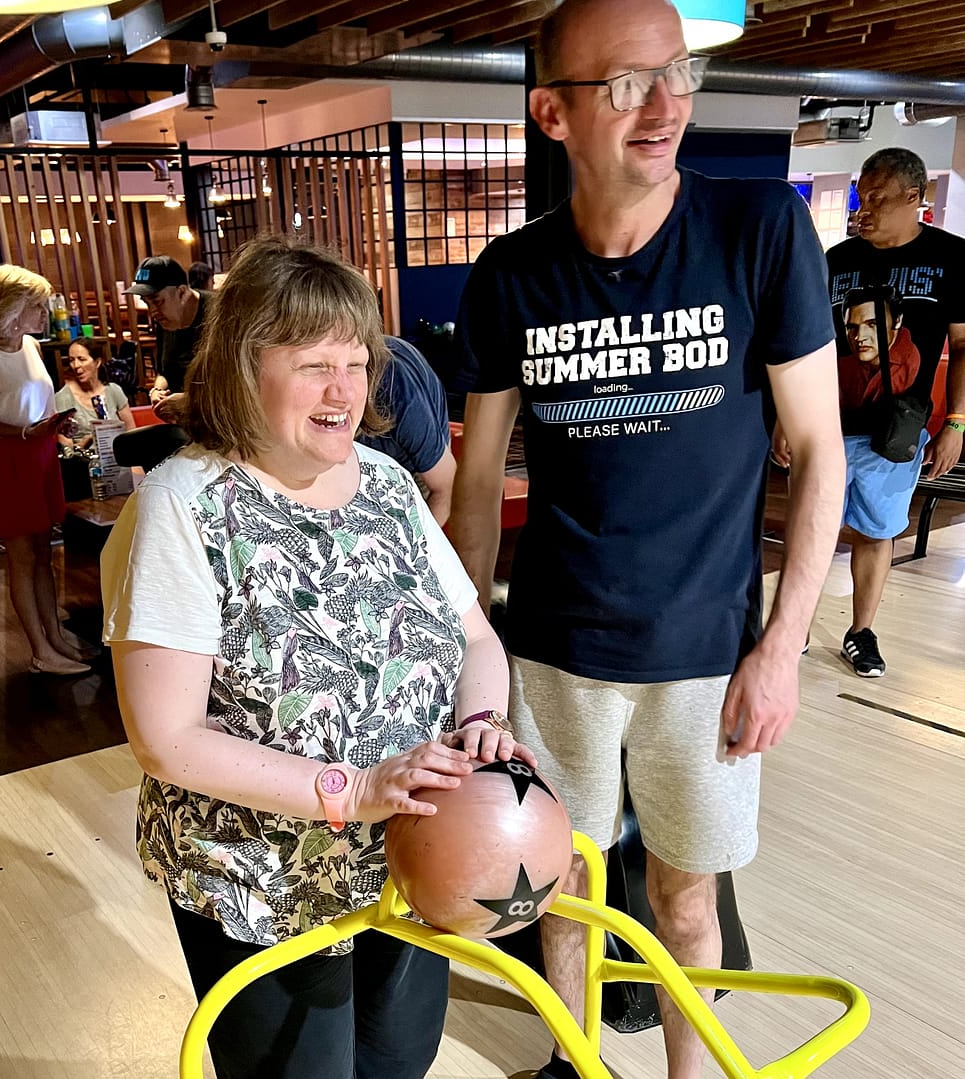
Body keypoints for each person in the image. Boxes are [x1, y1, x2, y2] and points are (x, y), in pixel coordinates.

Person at [445, 2, 847, 1077]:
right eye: (624, 82)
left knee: (684, 895)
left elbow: (818, 452)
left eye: (676, 71)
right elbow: (476, 485)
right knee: (562, 884)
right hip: (552, 648)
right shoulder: (510, 274)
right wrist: (470, 651)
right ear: (552, 112)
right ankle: (578, 1063)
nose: (664, 104)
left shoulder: (757, 229)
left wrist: (782, 646)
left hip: (704, 651)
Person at [102, 236, 533, 1079]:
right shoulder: (184, 504)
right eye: (312, 364)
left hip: (402, 862)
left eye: (357, 361)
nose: (344, 390)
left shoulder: (384, 480)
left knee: (395, 1063)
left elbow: (472, 633)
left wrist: (480, 722)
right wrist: (354, 788)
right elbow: (166, 737)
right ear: (238, 367)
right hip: (259, 883)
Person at [775, 147, 965, 678]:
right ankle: (795, 631)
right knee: (807, 532)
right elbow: (805, 347)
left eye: (877, 197)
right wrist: (785, 417)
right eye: (862, 195)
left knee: (875, 533)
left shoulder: (953, 259)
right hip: (822, 428)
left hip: (894, 433)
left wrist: (955, 421)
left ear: (915, 197)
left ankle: (860, 631)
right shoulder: (838, 260)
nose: (866, 206)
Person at [0, 265, 93, 676]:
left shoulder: (31, 345)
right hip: (6, 458)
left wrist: (56, 425)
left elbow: (42, 402)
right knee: (21, 556)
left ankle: (54, 638)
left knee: (42, 552)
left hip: (37, 451)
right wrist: (22, 431)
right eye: (37, 305)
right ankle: (40, 650)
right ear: (13, 309)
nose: (45, 312)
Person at [357, 336, 457, 524]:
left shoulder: (400, 394)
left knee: (412, 526)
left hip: (415, 461)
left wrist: (420, 549)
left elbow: (446, 487)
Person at [126, 255, 217, 420]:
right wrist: (157, 391)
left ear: (182, 293)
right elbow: (164, 372)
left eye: (158, 302)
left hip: (223, 424)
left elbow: (237, 385)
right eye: (147, 303)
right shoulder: (166, 321)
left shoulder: (219, 314)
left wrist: (190, 401)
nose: (152, 312)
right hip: (185, 421)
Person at [836, 286, 920, 410]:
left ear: (897, 321)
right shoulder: (843, 366)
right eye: (851, 327)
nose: (859, 337)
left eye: (872, 324)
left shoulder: (908, 362)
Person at [54, 339, 136, 451]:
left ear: (97, 362)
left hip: (119, 457)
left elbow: (131, 433)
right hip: (85, 463)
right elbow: (68, 452)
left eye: (81, 359)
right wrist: (90, 439)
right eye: (71, 360)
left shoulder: (114, 390)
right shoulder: (63, 397)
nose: (76, 365)